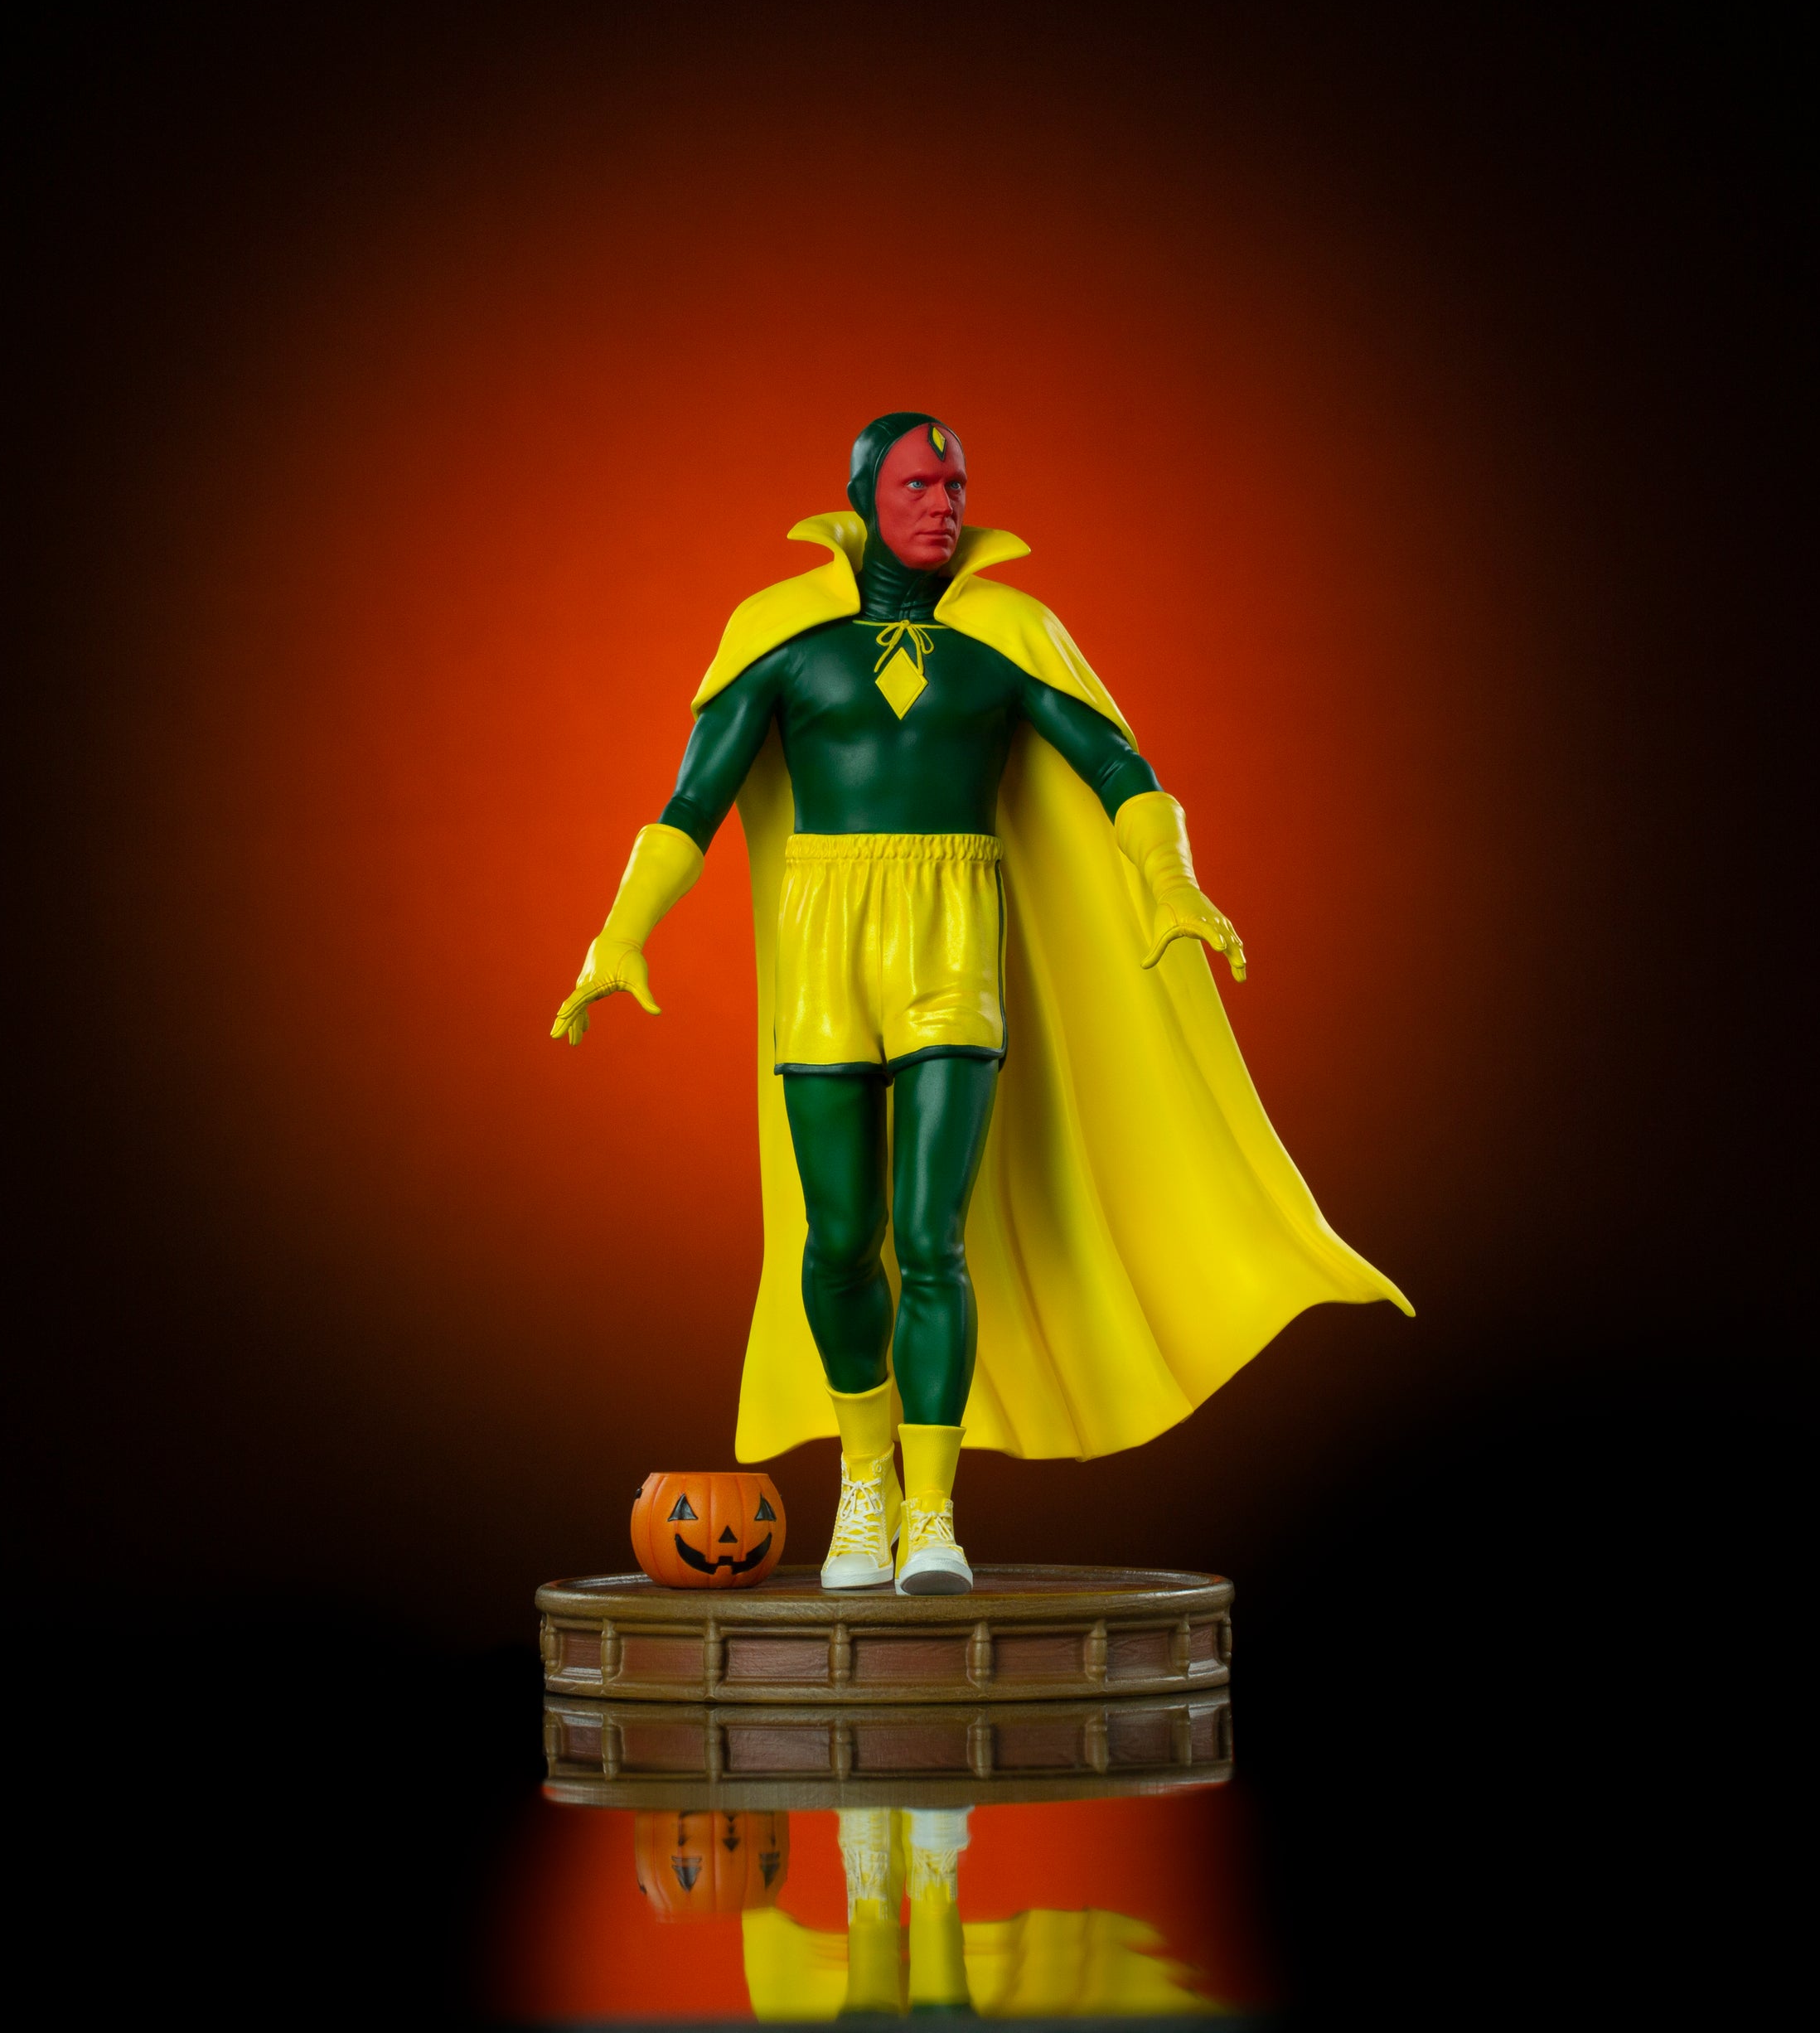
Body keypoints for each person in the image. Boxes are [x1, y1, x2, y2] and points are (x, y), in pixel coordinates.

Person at [553, 414, 1406, 1595]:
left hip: (955, 937)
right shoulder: (781, 635)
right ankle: (865, 1484)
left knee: (931, 1236)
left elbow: (1119, 767)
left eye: (955, 484)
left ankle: (933, 1513)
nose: (943, 503)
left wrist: (1171, 884)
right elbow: (690, 801)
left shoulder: (1010, 633)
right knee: (836, 1239)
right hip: (824, 943)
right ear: (864, 494)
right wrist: (620, 933)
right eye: (918, 482)